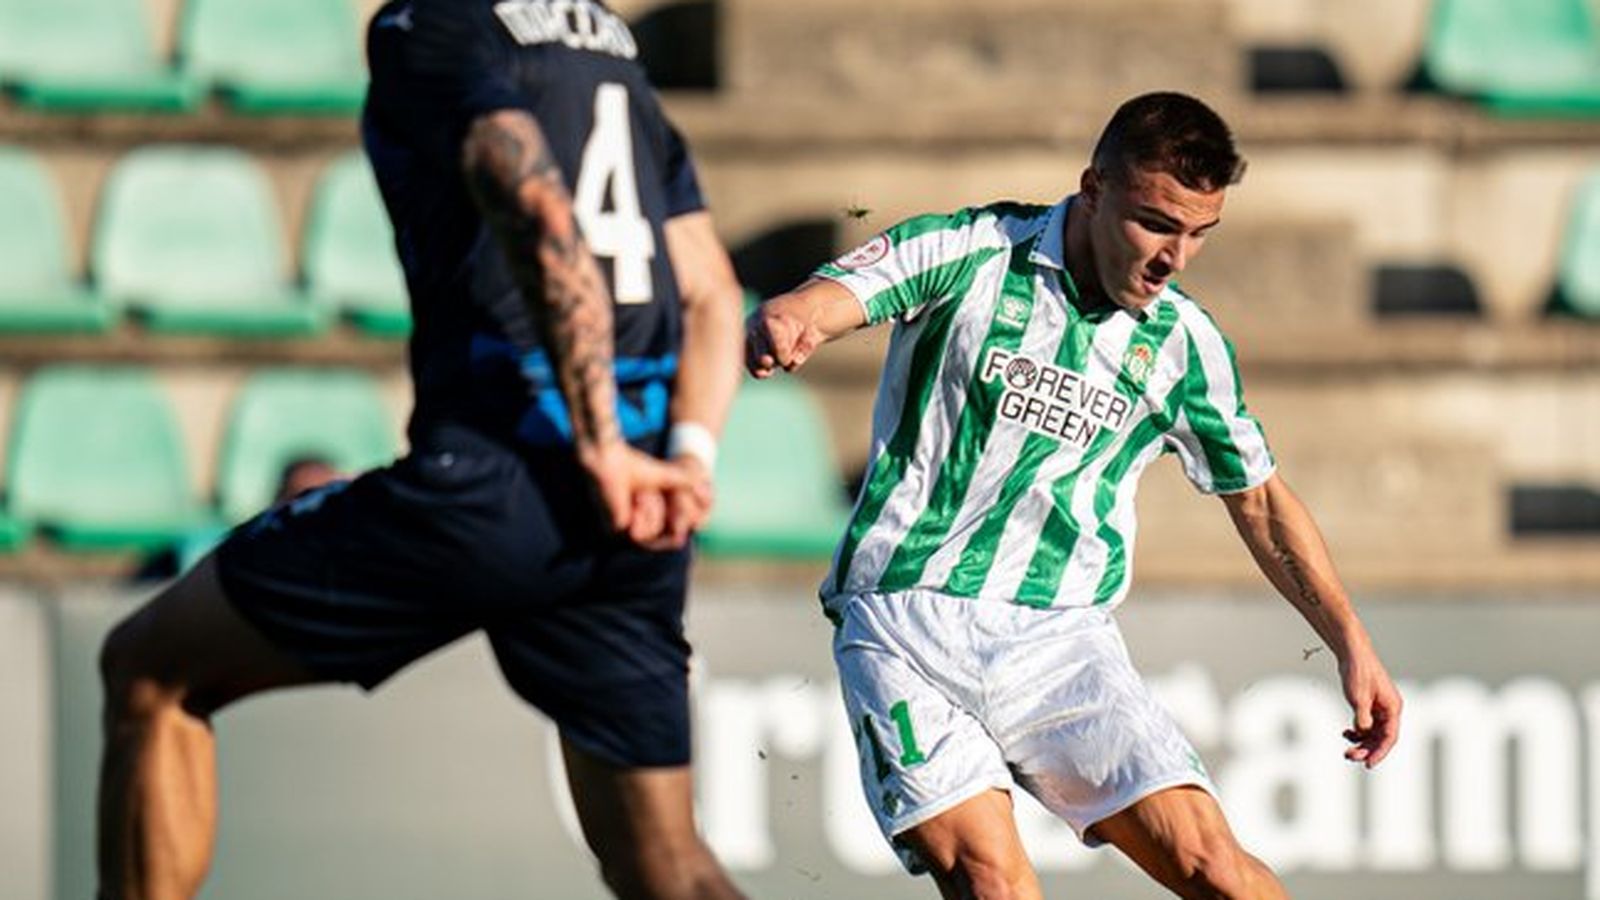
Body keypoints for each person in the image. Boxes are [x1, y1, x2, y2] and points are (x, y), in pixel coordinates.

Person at [97, 1, 746, 898]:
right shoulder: (612, 53)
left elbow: (532, 199)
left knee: (149, 670)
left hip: (497, 481)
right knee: (665, 861)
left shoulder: (434, 23)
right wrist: (687, 460)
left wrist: (595, 439)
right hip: (637, 513)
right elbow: (713, 292)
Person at [746, 92, 1402, 899]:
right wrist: (796, 316)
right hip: (904, 617)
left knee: (1216, 871)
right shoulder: (973, 250)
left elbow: (1260, 500)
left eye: (1200, 234)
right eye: (1157, 223)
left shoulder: (1183, 345)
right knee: (994, 884)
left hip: (1059, 640)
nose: (1175, 258)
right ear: (1093, 189)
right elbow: (840, 295)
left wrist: (1350, 641)